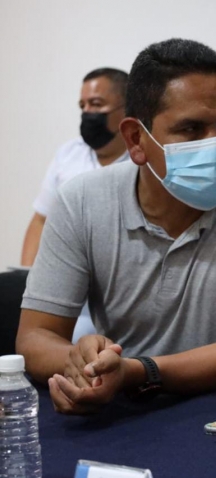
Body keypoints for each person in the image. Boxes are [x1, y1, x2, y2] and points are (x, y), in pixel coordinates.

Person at [16, 38, 216, 415]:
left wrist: (136, 372)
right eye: (191, 129)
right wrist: (82, 363)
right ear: (136, 139)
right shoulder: (82, 200)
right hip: (125, 416)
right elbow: (36, 337)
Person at [21, 67, 130, 342]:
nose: (87, 113)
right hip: (67, 296)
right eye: (83, 106)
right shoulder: (68, 155)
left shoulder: (143, 160)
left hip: (121, 302)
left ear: (127, 108)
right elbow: (40, 219)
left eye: (96, 104)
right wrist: (28, 279)